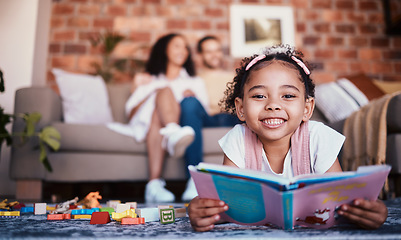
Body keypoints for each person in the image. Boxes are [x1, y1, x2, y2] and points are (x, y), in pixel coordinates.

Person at [187, 45, 388, 231]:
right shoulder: (238, 138)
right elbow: (227, 204)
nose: (273, 105)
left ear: (307, 109)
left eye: (288, 96)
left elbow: (340, 201)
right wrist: (204, 210)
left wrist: (365, 211)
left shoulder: (318, 136)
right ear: (240, 109)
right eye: (259, 96)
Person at [114, 33, 209, 203]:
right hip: (150, 122)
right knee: (161, 96)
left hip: (183, 123)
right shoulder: (149, 80)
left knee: (180, 105)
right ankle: (172, 133)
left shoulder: (194, 82)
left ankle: (159, 184)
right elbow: (131, 112)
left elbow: (203, 112)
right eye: (177, 46)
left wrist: (190, 98)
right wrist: (153, 94)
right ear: (164, 49)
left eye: (185, 47)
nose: (183, 51)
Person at [179, 36, 240, 202]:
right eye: (209, 51)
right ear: (200, 55)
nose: (214, 55)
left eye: (217, 50)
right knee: (189, 103)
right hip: (207, 118)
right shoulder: (191, 78)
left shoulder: (235, 76)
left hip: (231, 117)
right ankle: (194, 179)